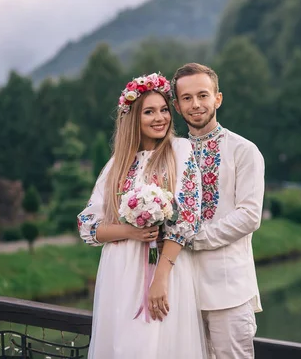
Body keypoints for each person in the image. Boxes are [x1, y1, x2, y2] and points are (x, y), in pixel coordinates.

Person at [77, 72, 207, 359]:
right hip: (119, 272)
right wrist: (130, 232)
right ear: (133, 118)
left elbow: (187, 219)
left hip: (163, 270)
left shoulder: (180, 151)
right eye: (149, 112)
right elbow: (87, 225)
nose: (159, 118)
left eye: (164, 110)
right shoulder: (116, 165)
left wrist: (159, 280)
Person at [172, 63, 265, 359]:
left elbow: (249, 215)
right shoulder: (171, 154)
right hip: (182, 290)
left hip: (230, 290)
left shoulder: (243, 150)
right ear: (176, 105)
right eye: (187, 98)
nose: (195, 104)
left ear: (218, 98)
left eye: (202, 95)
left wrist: (193, 238)